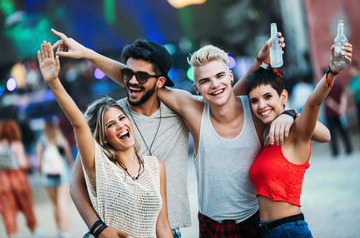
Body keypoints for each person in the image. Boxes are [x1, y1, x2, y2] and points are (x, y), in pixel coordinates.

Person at [51, 29, 330, 237]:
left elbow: (318, 132)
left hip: (252, 221)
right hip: (208, 225)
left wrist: (288, 113)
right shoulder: (189, 109)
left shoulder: (255, 110)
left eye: (220, 77)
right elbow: (137, 79)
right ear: (196, 88)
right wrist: (86, 53)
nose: (215, 85)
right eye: (205, 81)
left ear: (231, 76)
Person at [51, 29, 191, 238]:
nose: (132, 81)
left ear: (160, 82)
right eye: (127, 74)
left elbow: (224, 101)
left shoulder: (179, 109)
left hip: (168, 229)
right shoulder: (108, 116)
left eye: (142, 76)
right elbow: (76, 185)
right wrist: (98, 229)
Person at [246, 43, 353, 237]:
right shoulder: (265, 134)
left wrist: (332, 72)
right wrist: (260, 61)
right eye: (254, 100)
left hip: (289, 230)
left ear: (283, 96)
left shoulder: (296, 131)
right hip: (263, 232)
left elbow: (313, 103)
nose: (261, 105)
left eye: (268, 96)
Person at [0, 120, 43, 238]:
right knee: (27, 206)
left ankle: (12, 235)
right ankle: (34, 231)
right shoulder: (16, 144)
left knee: (7, 210)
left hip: (3, 180)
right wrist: (30, 162)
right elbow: (22, 163)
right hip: (18, 178)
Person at [36, 118, 73, 238]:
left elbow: (39, 163)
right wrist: (70, 169)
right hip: (62, 174)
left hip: (48, 176)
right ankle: (65, 231)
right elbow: (68, 159)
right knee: (63, 202)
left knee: (55, 204)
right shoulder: (61, 140)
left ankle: (58, 228)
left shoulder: (41, 142)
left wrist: (41, 174)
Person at [324, 80, 353, 157]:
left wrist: (338, 108)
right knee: (343, 131)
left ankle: (335, 152)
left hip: (330, 114)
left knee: (332, 134)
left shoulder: (326, 85)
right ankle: (349, 149)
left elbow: (328, 101)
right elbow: (343, 95)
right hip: (340, 113)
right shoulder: (337, 83)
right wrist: (342, 108)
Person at [349, 61, 360, 131]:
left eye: (351, 69)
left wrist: (351, 92)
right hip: (357, 103)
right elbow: (349, 92)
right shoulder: (352, 80)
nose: (350, 72)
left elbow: (353, 91)